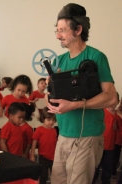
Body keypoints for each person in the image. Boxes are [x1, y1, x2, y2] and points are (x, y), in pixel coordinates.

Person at [48, 3, 117, 184]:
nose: (57, 35)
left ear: (78, 29)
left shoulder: (96, 57)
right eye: (57, 30)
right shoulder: (59, 60)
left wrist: (75, 105)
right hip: (63, 135)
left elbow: (111, 97)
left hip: (86, 136)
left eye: (62, 30)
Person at [92, 94, 119, 184]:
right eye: (110, 102)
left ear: (118, 102)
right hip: (100, 145)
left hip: (110, 147)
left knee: (107, 168)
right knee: (95, 167)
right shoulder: (102, 112)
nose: (112, 104)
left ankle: (106, 181)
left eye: (114, 102)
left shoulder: (117, 115)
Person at [30, 107, 57, 184]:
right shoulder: (39, 129)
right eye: (49, 120)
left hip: (53, 157)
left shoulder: (54, 130)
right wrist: (32, 155)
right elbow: (34, 142)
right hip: (43, 157)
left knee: (55, 175)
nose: (51, 122)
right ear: (43, 119)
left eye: (53, 120)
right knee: (43, 176)